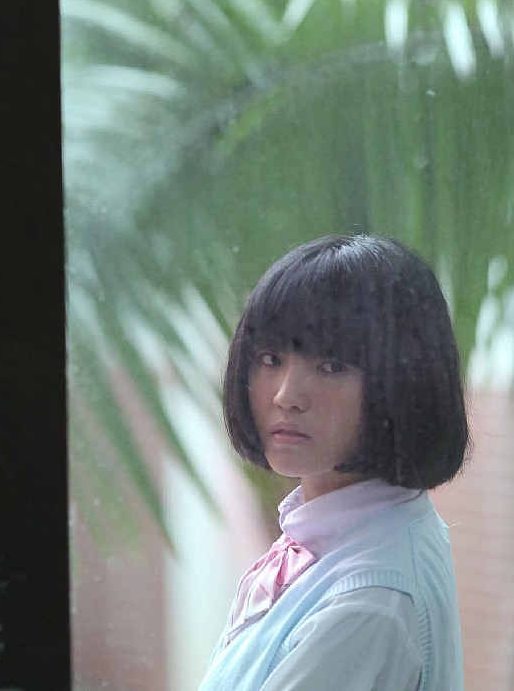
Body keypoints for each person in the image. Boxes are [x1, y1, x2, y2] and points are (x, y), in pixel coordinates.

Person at [198, 234, 469, 691]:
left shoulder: (366, 604)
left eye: (332, 366)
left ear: (403, 382)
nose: (286, 396)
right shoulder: (355, 526)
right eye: (271, 359)